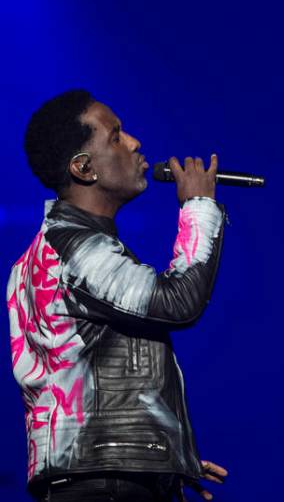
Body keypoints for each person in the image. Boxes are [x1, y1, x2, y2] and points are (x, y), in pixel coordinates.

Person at [7, 90, 230, 501]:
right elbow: (177, 302)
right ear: (83, 167)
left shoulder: (38, 256)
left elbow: (87, 379)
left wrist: (165, 462)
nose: (134, 143)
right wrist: (199, 205)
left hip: (101, 477)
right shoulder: (73, 250)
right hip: (104, 485)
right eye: (115, 136)